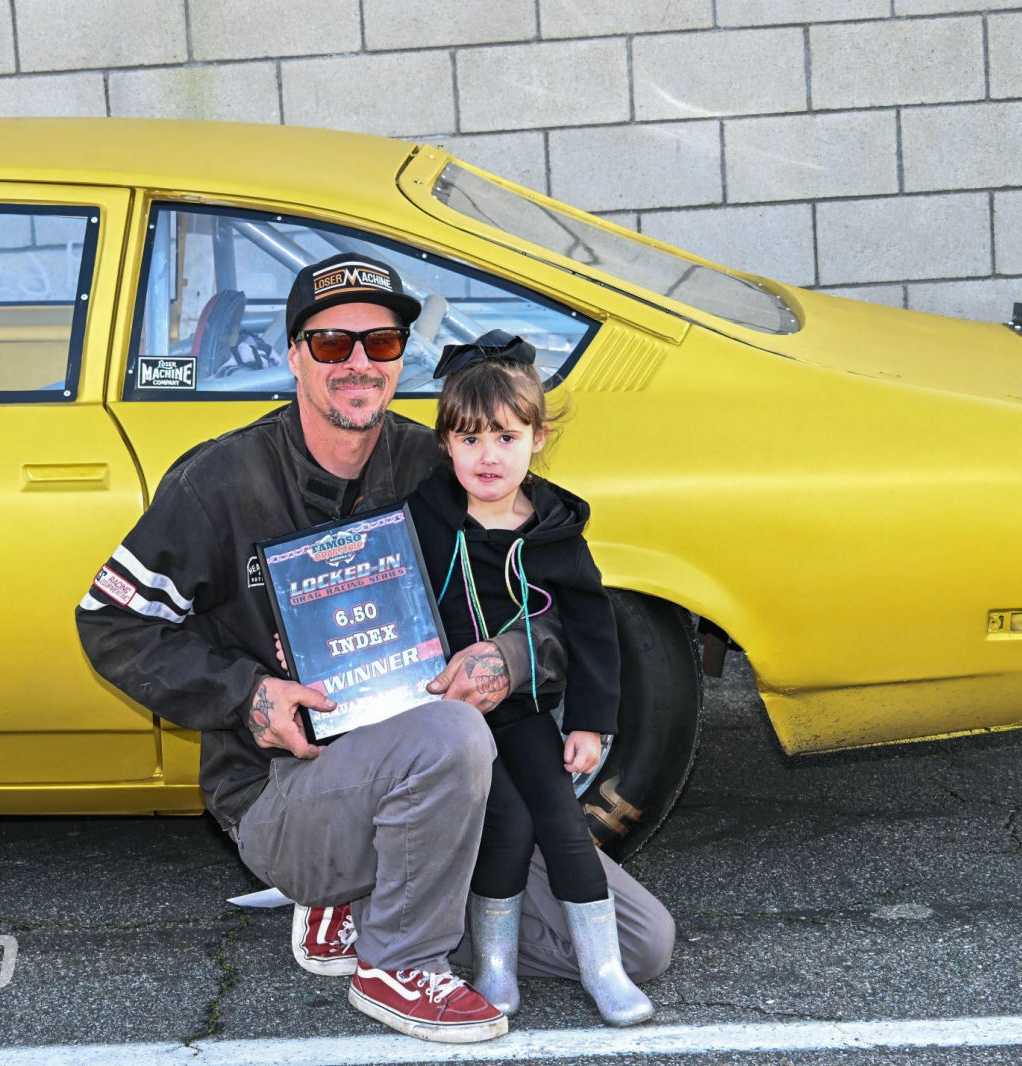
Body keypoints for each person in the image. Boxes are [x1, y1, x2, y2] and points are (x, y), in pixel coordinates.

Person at [77, 253, 673, 1043]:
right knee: (451, 734)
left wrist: (508, 659)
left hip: (439, 785)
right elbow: (110, 620)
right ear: (295, 357)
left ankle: (372, 902)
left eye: (382, 343)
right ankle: (399, 961)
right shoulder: (220, 481)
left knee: (643, 943)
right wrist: (247, 694)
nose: (358, 363)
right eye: (332, 343)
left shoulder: (439, 464)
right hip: (286, 787)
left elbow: (558, 610)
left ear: (400, 359)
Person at [407, 331, 653, 1027]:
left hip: (523, 714)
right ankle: (495, 964)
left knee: (563, 823)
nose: (488, 456)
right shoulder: (422, 520)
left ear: (538, 439)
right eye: (470, 438)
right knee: (507, 823)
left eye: (506, 437)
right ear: (446, 443)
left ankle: (602, 968)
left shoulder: (555, 534)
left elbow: (593, 632)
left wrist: (591, 723)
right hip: (449, 719)